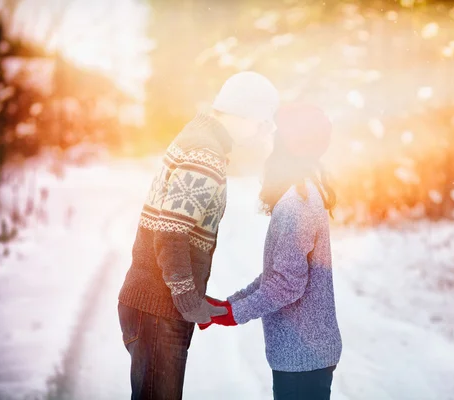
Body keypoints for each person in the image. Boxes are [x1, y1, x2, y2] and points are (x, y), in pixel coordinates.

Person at [117, 71, 280, 400]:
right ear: (244, 113)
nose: (262, 129)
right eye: (261, 121)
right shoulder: (205, 153)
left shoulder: (201, 139)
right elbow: (170, 232)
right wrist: (187, 299)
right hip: (158, 309)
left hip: (156, 307)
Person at [202, 104, 342, 400]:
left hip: (302, 358)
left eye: (277, 139)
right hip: (306, 355)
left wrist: (233, 313)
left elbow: (287, 285)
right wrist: (229, 304)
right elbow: (280, 275)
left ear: (287, 148)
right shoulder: (302, 192)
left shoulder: (297, 203)